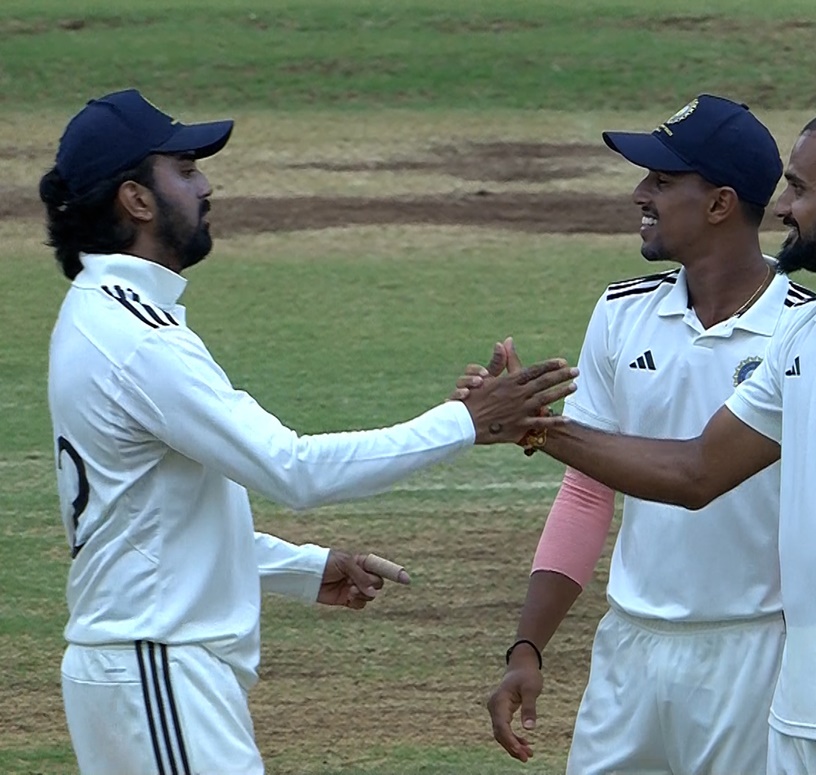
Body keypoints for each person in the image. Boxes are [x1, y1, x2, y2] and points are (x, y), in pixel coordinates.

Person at [40, 89, 576, 775]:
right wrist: (465, 423)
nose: (206, 185)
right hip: (159, 674)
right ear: (136, 200)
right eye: (184, 168)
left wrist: (300, 568)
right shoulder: (138, 340)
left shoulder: (103, 315)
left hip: (149, 670)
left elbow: (145, 523)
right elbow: (293, 469)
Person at [478, 106, 816, 775]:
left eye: (799, 189)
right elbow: (697, 472)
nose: (784, 207)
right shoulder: (807, 333)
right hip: (800, 710)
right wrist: (534, 426)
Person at [482, 94, 815, 774]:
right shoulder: (621, 311)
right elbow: (586, 494)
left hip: (756, 655)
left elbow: (698, 476)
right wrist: (528, 647)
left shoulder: (810, 330)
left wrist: (537, 427)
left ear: (721, 203)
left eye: (662, 182)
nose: (640, 193)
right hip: (628, 651)